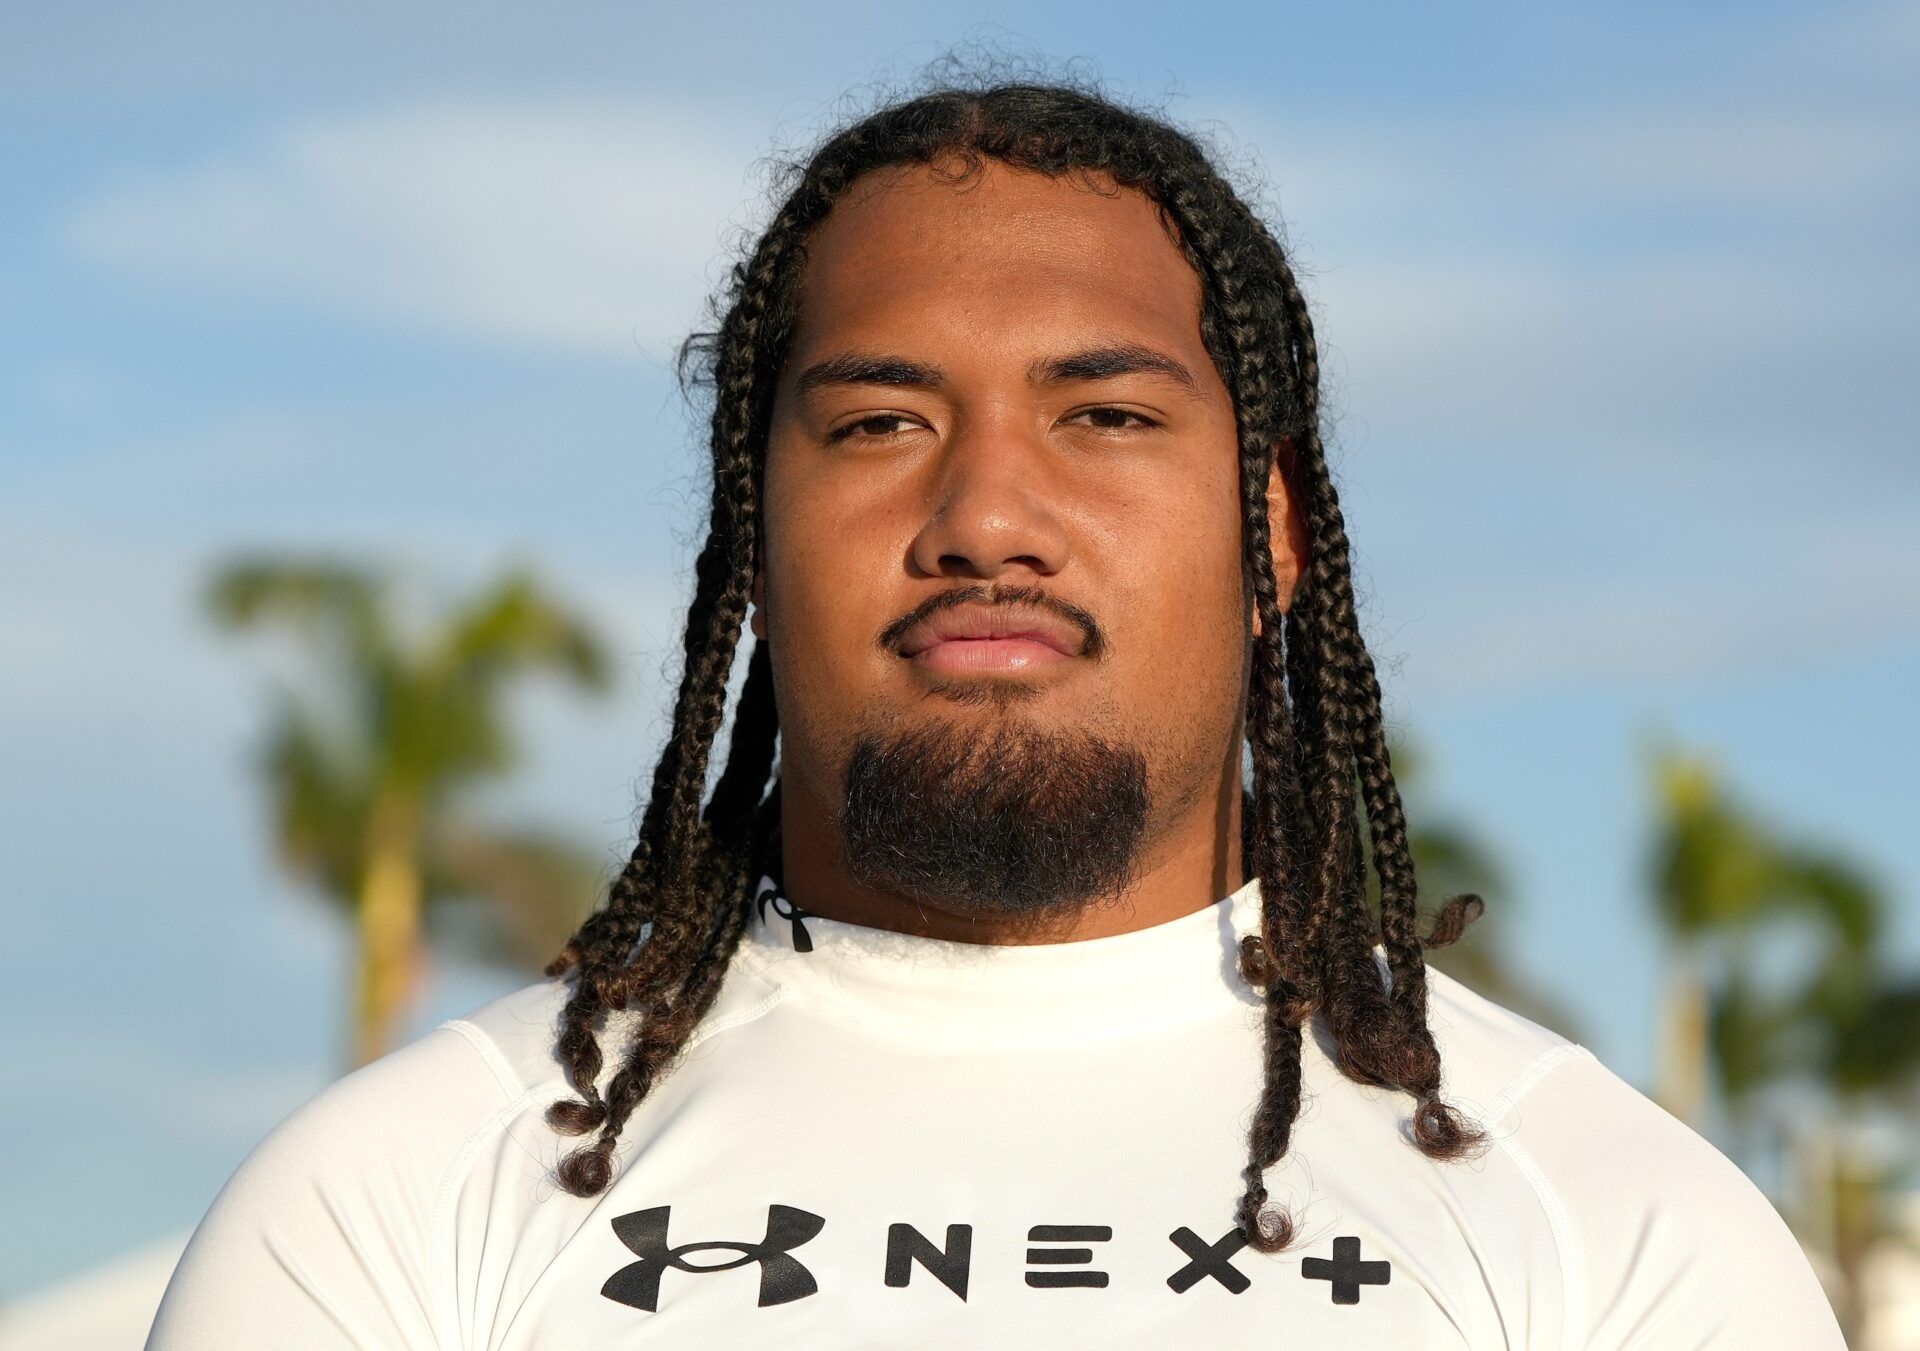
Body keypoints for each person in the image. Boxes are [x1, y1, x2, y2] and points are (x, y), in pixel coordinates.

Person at [147, 74, 1847, 1349]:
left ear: (1275, 532)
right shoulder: (392, 1208)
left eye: (1104, 418)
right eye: (880, 422)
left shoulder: (1608, 1230)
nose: (985, 516)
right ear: (754, 526)